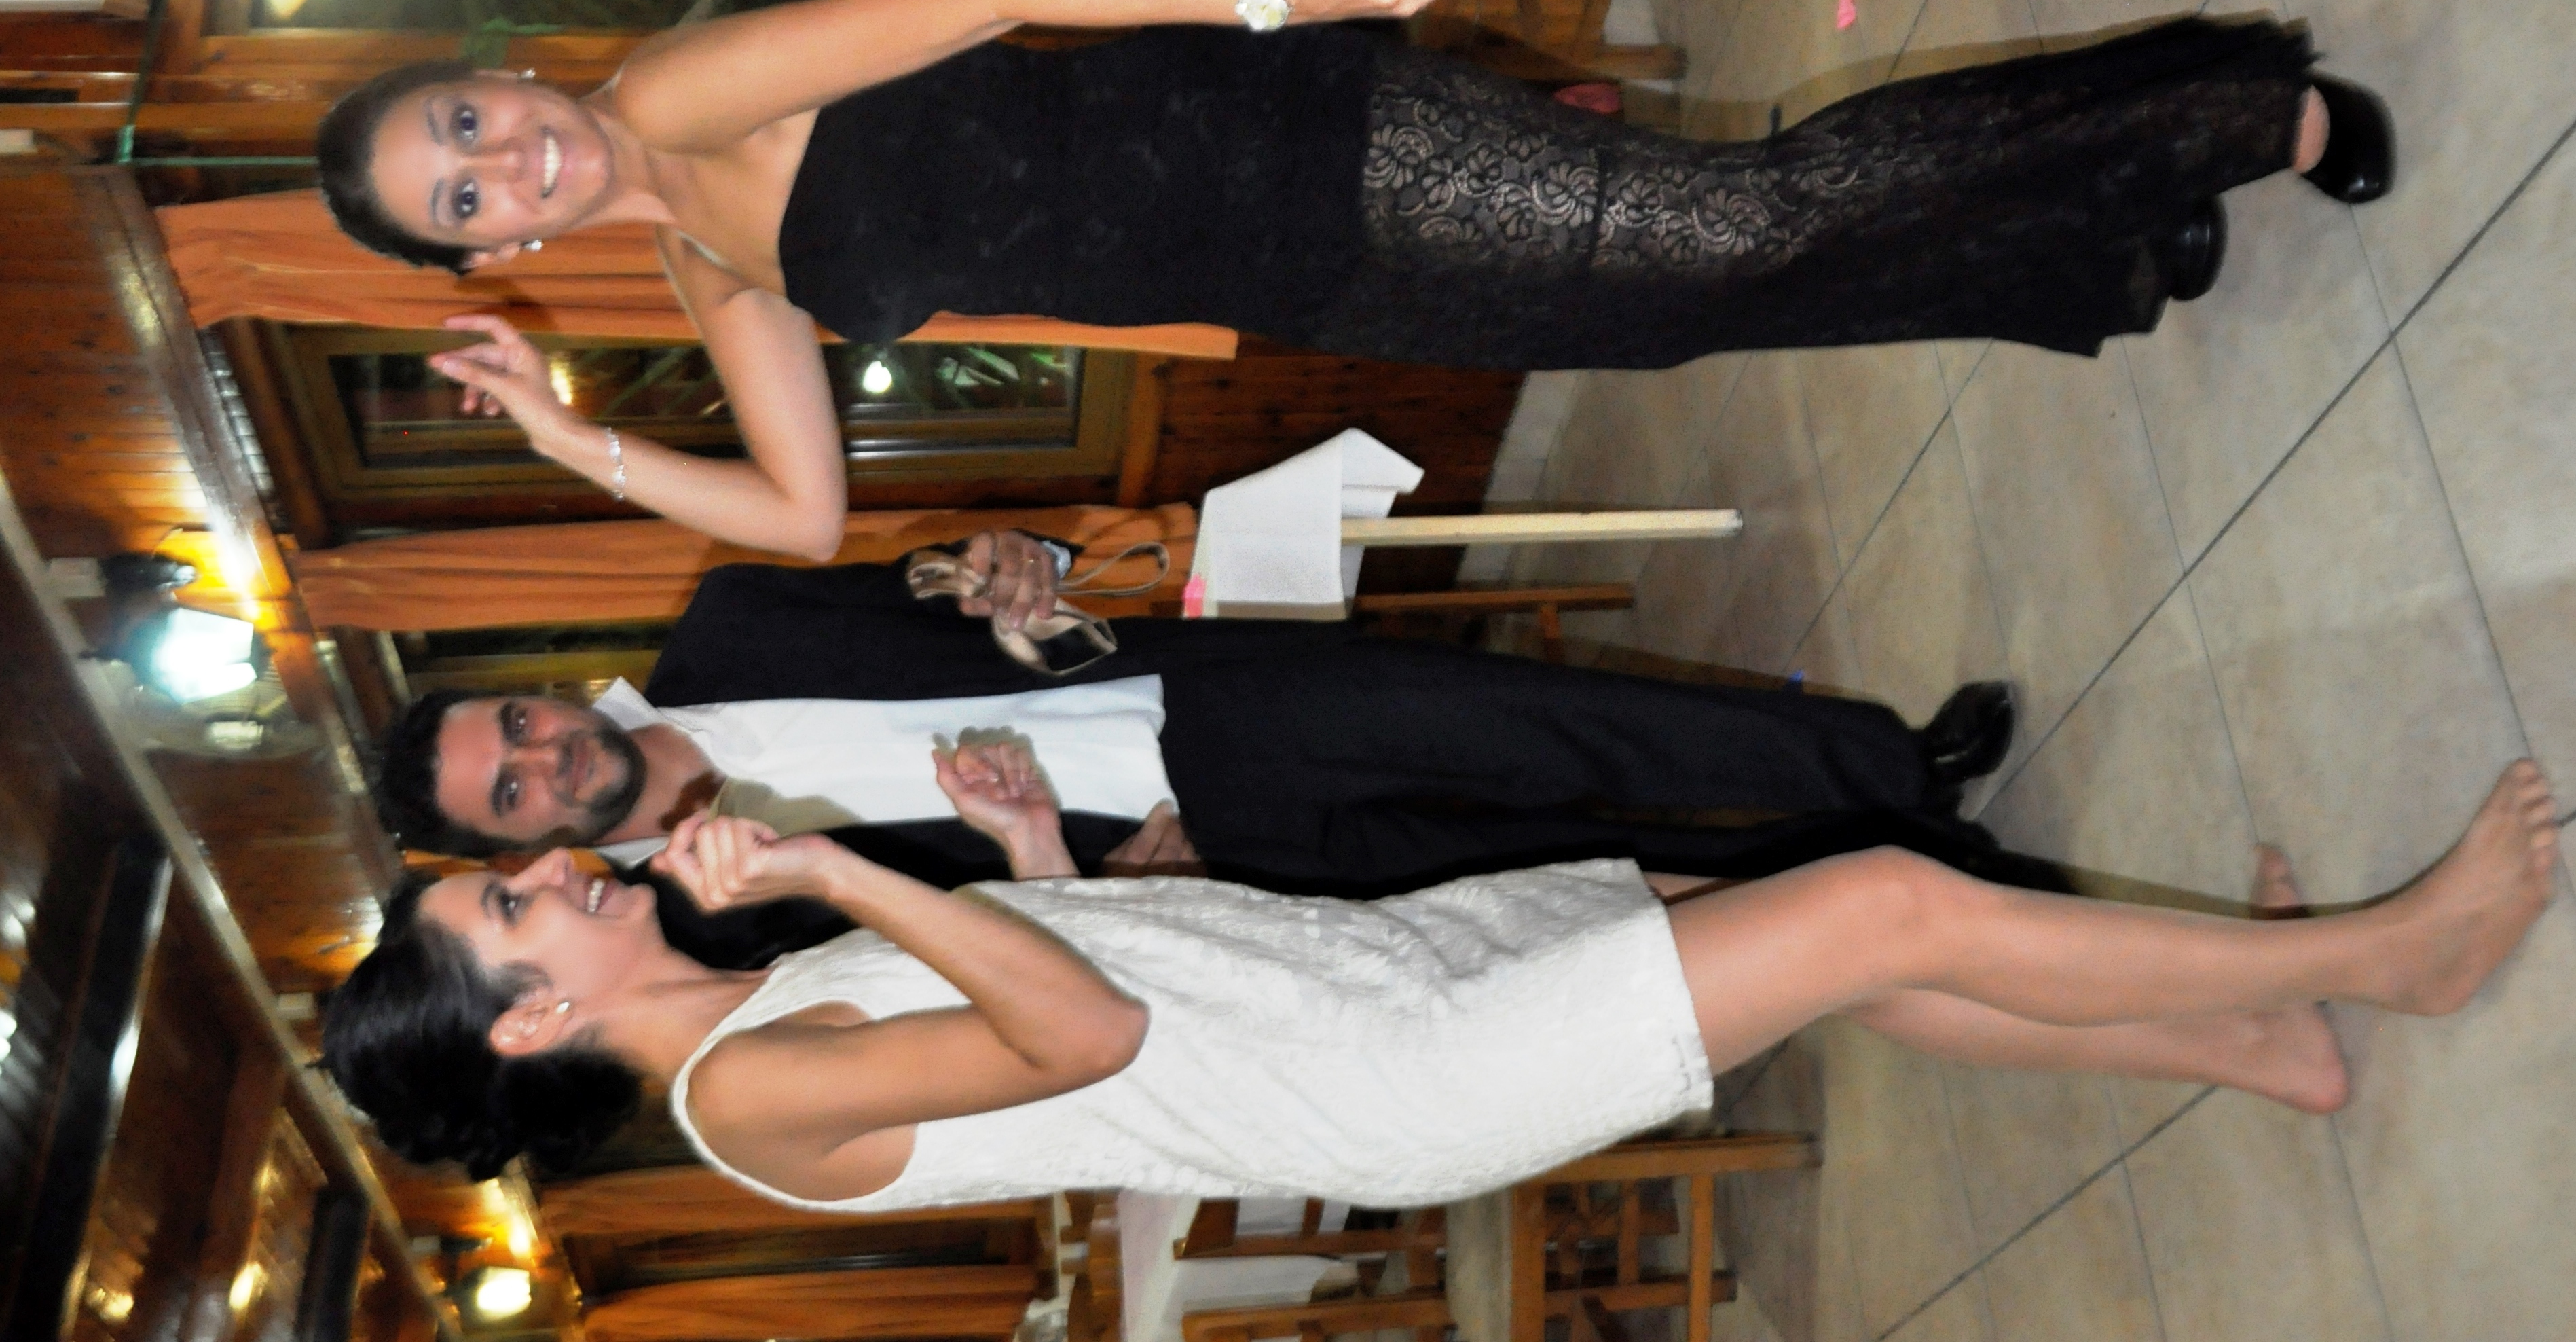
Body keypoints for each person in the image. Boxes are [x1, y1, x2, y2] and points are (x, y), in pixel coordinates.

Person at [315, 0, 2393, 562]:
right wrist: (567, 436)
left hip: (1309, 138)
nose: (510, 161)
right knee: (1685, 316)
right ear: (486, 260)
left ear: (498, 72)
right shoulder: (713, 275)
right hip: (1301, 273)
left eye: (468, 121)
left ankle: (2233, 108)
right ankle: (2103, 234)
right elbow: (799, 513)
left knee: (1744, 213)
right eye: (464, 196)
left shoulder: (679, 86)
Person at [318, 762, 2558, 1203]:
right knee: (1880, 900)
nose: (552, 868)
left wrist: (1025, 855)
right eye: (512, 910)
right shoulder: (740, 1102)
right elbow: (1085, 1037)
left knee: (1829, 952)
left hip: (1366, 978)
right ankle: (2397, 952)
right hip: (1398, 1075)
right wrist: (837, 862)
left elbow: (1065, 1001)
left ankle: (2256, 1038)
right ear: (528, 1020)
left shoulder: (751, 1005)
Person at [367, 527, 2057, 920]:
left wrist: (1004, 569)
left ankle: (1894, 772)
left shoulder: (730, 621)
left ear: (532, 687)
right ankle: (1901, 876)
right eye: (511, 792)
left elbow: (950, 587)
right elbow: (947, 967)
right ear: (521, 843)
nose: (544, 755)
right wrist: (1115, 901)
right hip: (1201, 871)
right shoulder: (702, 919)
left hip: (1214, 700)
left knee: (1561, 727)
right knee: (1575, 868)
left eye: (515, 722)